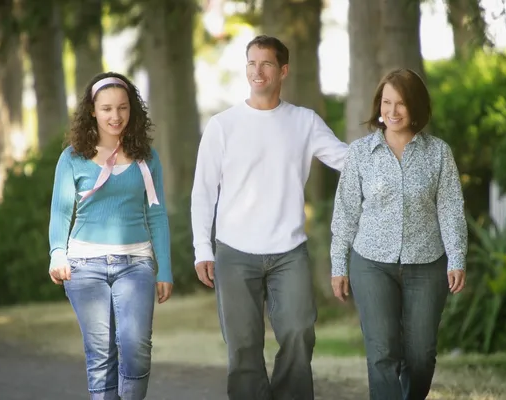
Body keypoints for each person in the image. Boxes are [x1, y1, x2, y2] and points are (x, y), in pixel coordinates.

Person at [191, 35, 348, 400]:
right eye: (251, 63)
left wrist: (388, 142)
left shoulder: (304, 122)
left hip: (288, 250)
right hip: (234, 251)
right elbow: (203, 192)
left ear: (283, 71)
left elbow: (346, 160)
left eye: (266, 64)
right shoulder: (222, 126)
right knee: (243, 346)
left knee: (298, 331)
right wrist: (202, 248)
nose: (257, 71)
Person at [330, 68, 467, 400]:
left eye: (401, 103)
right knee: (382, 352)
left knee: (420, 355)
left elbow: (450, 208)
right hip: (372, 264)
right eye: (386, 102)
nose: (392, 112)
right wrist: (339, 265)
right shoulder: (360, 154)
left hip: (427, 263)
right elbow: (345, 212)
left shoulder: (438, 153)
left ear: (416, 107)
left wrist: (457, 257)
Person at [48, 71, 172, 400]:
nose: (115, 116)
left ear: (132, 111)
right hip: (84, 266)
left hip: (136, 263)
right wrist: (57, 252)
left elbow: (157, 214)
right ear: (92, 110)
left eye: (122, 108)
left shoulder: (147, 157)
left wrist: (166, 269)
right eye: (106, 109)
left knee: (135, 348)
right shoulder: (72, 158)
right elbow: (61, 211)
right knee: (101, 354)